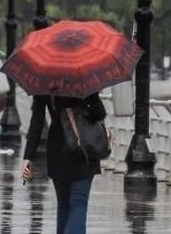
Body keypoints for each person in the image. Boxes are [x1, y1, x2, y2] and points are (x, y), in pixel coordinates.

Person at [21, 93, 107, 234]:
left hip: (58, 148)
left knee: (64, 205)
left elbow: (37, 121)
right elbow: (99, 113)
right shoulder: (82, 84)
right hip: (84, 148)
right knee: (78, 203)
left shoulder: (44, 85)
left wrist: (28, 157)